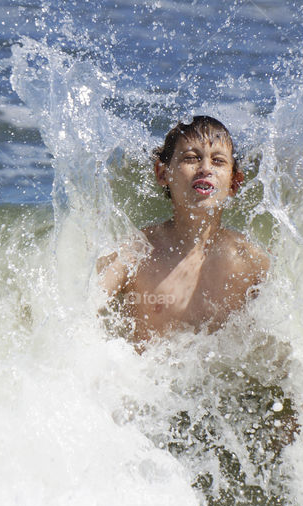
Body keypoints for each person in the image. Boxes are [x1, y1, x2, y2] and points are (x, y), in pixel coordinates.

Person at [97, 116, 270, 343]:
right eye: (191, 158)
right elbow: (79, 314)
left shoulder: (249, 261)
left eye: (218, 161)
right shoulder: (135, 254)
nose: (205, 168)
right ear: (162, 173)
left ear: (234, 183)